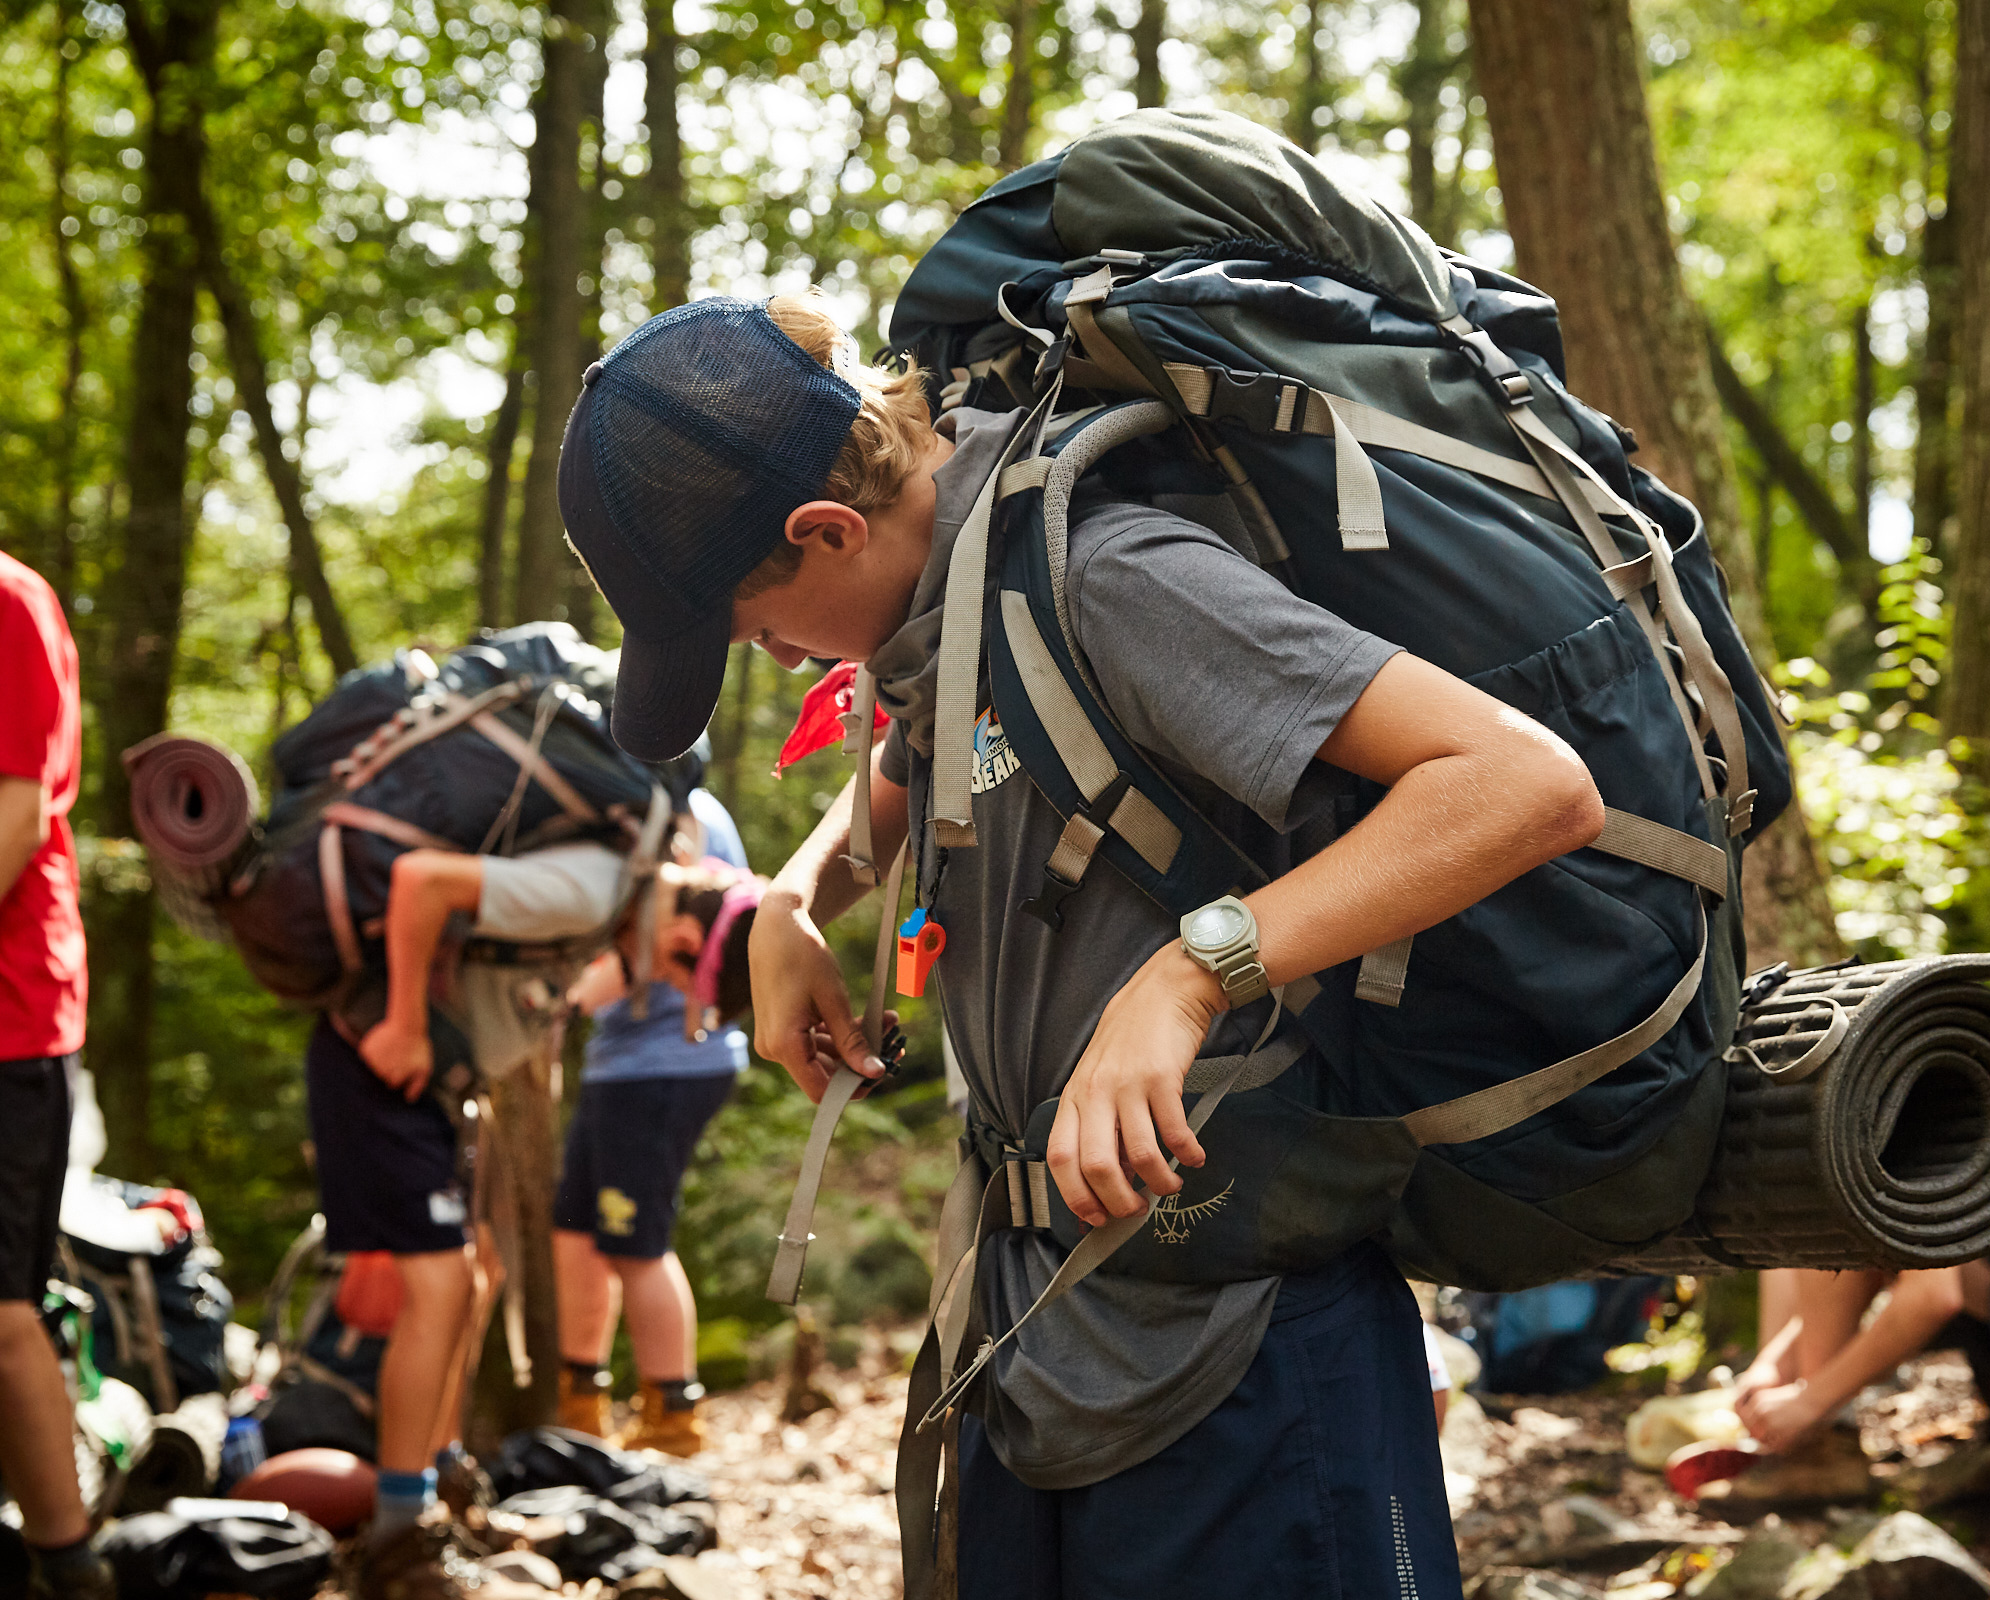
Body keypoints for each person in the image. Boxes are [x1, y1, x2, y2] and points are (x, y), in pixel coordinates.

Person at [558, 292, 1609, 1599]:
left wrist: (1190, 974)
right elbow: (904, 772)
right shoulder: (950, 627)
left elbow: (1522, 786)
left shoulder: (1106, 579)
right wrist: (787, 901)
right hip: (1033, 1344)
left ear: (826, 530)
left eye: (757, 630)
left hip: (1239, 1356)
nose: (773, 663)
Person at [322, 801, 759, 1597]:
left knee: (473, 1278)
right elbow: (422, 881)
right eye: (670, 974)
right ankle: (399, 1527)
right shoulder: (594, 888)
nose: (653, 984)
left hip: (438, 1079)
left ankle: (440, 1485)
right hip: (388, 1064)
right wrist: (406, 1021)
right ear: (685, 940)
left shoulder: (621, 885)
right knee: (448, 1283)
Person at [1698, 1120, 1990, 1496]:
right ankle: (1808, 1439)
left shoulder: (1920, 1119)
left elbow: (1935, 1296)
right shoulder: (1859, 1123)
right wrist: (1773, 1363)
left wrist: (1808, 1402)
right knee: (1823, 1232)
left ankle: (1818, 1437)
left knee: (1844, 1231)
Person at [552, 788, 757, 1455]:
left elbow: (698, 934)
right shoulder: (616, 801)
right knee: (578, 1229)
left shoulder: (683, 812)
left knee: (634, 1240)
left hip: (666, 1063)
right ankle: (580, 1403)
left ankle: (672, 1415)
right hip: (618, 1064)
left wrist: (561, 996)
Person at [0, 552, 112, 1600]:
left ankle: (69, 1566)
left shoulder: (10, 599)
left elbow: (16, 813)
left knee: (0, 1313)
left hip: (10, 1017)